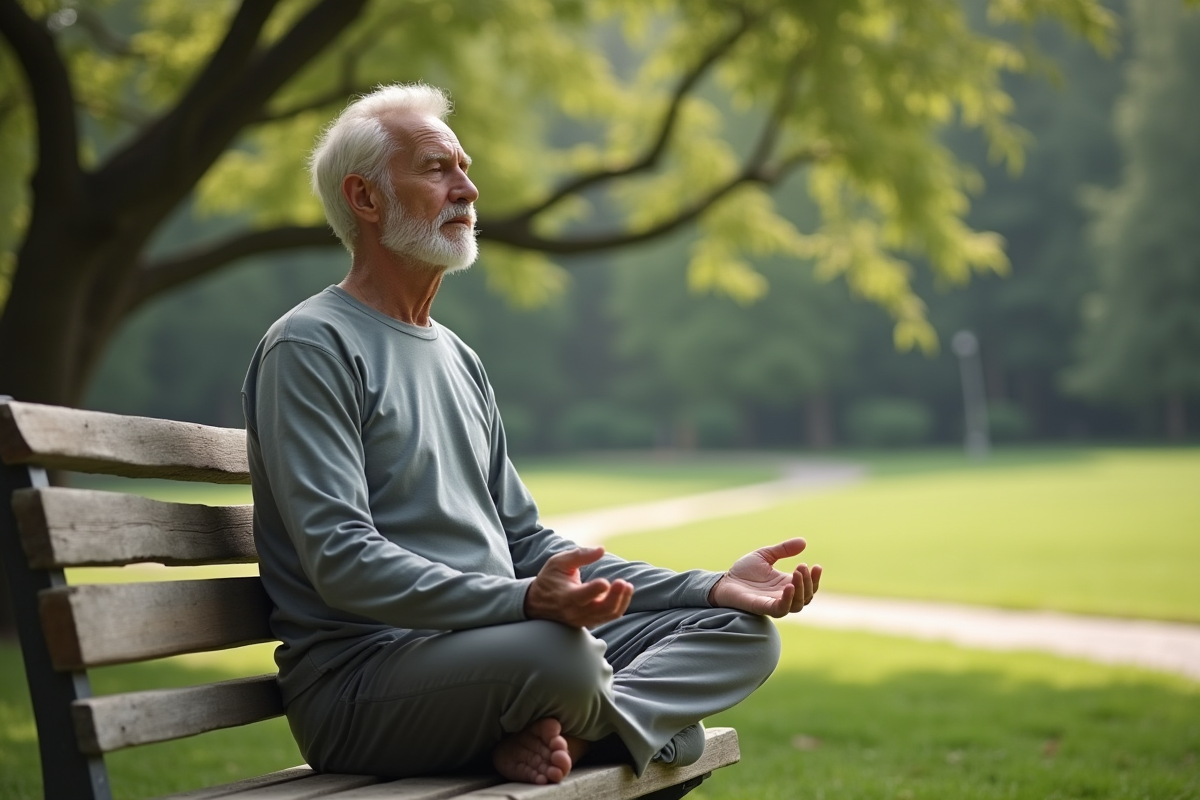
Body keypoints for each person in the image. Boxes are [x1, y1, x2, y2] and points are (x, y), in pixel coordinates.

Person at [242, 83, 823, 786]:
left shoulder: (458, 357)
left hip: (497, 650)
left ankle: (571, 740)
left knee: (743, 636)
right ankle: (644, 730)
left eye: (465, 167)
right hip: (365, 685)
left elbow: (526, 546)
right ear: (365, 199)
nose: (468, 188)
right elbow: (342, 559)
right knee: (565, 659)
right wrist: (525, 602)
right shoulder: (311, 345)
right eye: (437, 169)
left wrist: (711, 588)